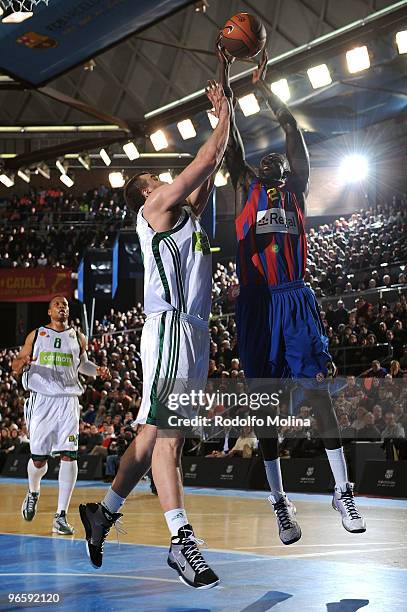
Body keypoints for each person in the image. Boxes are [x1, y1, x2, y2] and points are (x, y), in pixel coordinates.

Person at [79, 81, 230, 589]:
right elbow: (206, 158)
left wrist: (226, 103)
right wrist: (221, 111)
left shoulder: (183, 213)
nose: (163, 180)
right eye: (155, 178)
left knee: (149, 441)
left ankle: (102, 514)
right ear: (147, 193)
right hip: (170, 330)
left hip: (192, 334)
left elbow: (216, 158)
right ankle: (180, 542)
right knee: (168, 440)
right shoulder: (156, 210)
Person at [218, 46, 366, 544]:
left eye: (280, 158)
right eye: (268, 160)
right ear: (258, 170)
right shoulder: (243, 187)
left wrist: (263, 84)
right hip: (258, 308)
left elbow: (293, 131)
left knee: (319, 398)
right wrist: (226, 79)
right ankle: (280, 502)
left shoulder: (297, 189)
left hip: (295, 299)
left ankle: (343, 491)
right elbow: (233, 144)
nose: (274, 159)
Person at [12, 296, 110, 535]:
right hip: (42, 400)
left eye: (65, 304)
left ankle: (61, 515)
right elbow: (15, 365)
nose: (62, 307)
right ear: (49, 311)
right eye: (57, 304)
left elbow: (82, 365)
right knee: (39, 459)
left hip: (68, 401)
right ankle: (33, 491)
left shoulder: (78, 337)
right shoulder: (36, 335)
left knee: (69, 456)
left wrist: (96, 370)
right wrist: (23, 362)